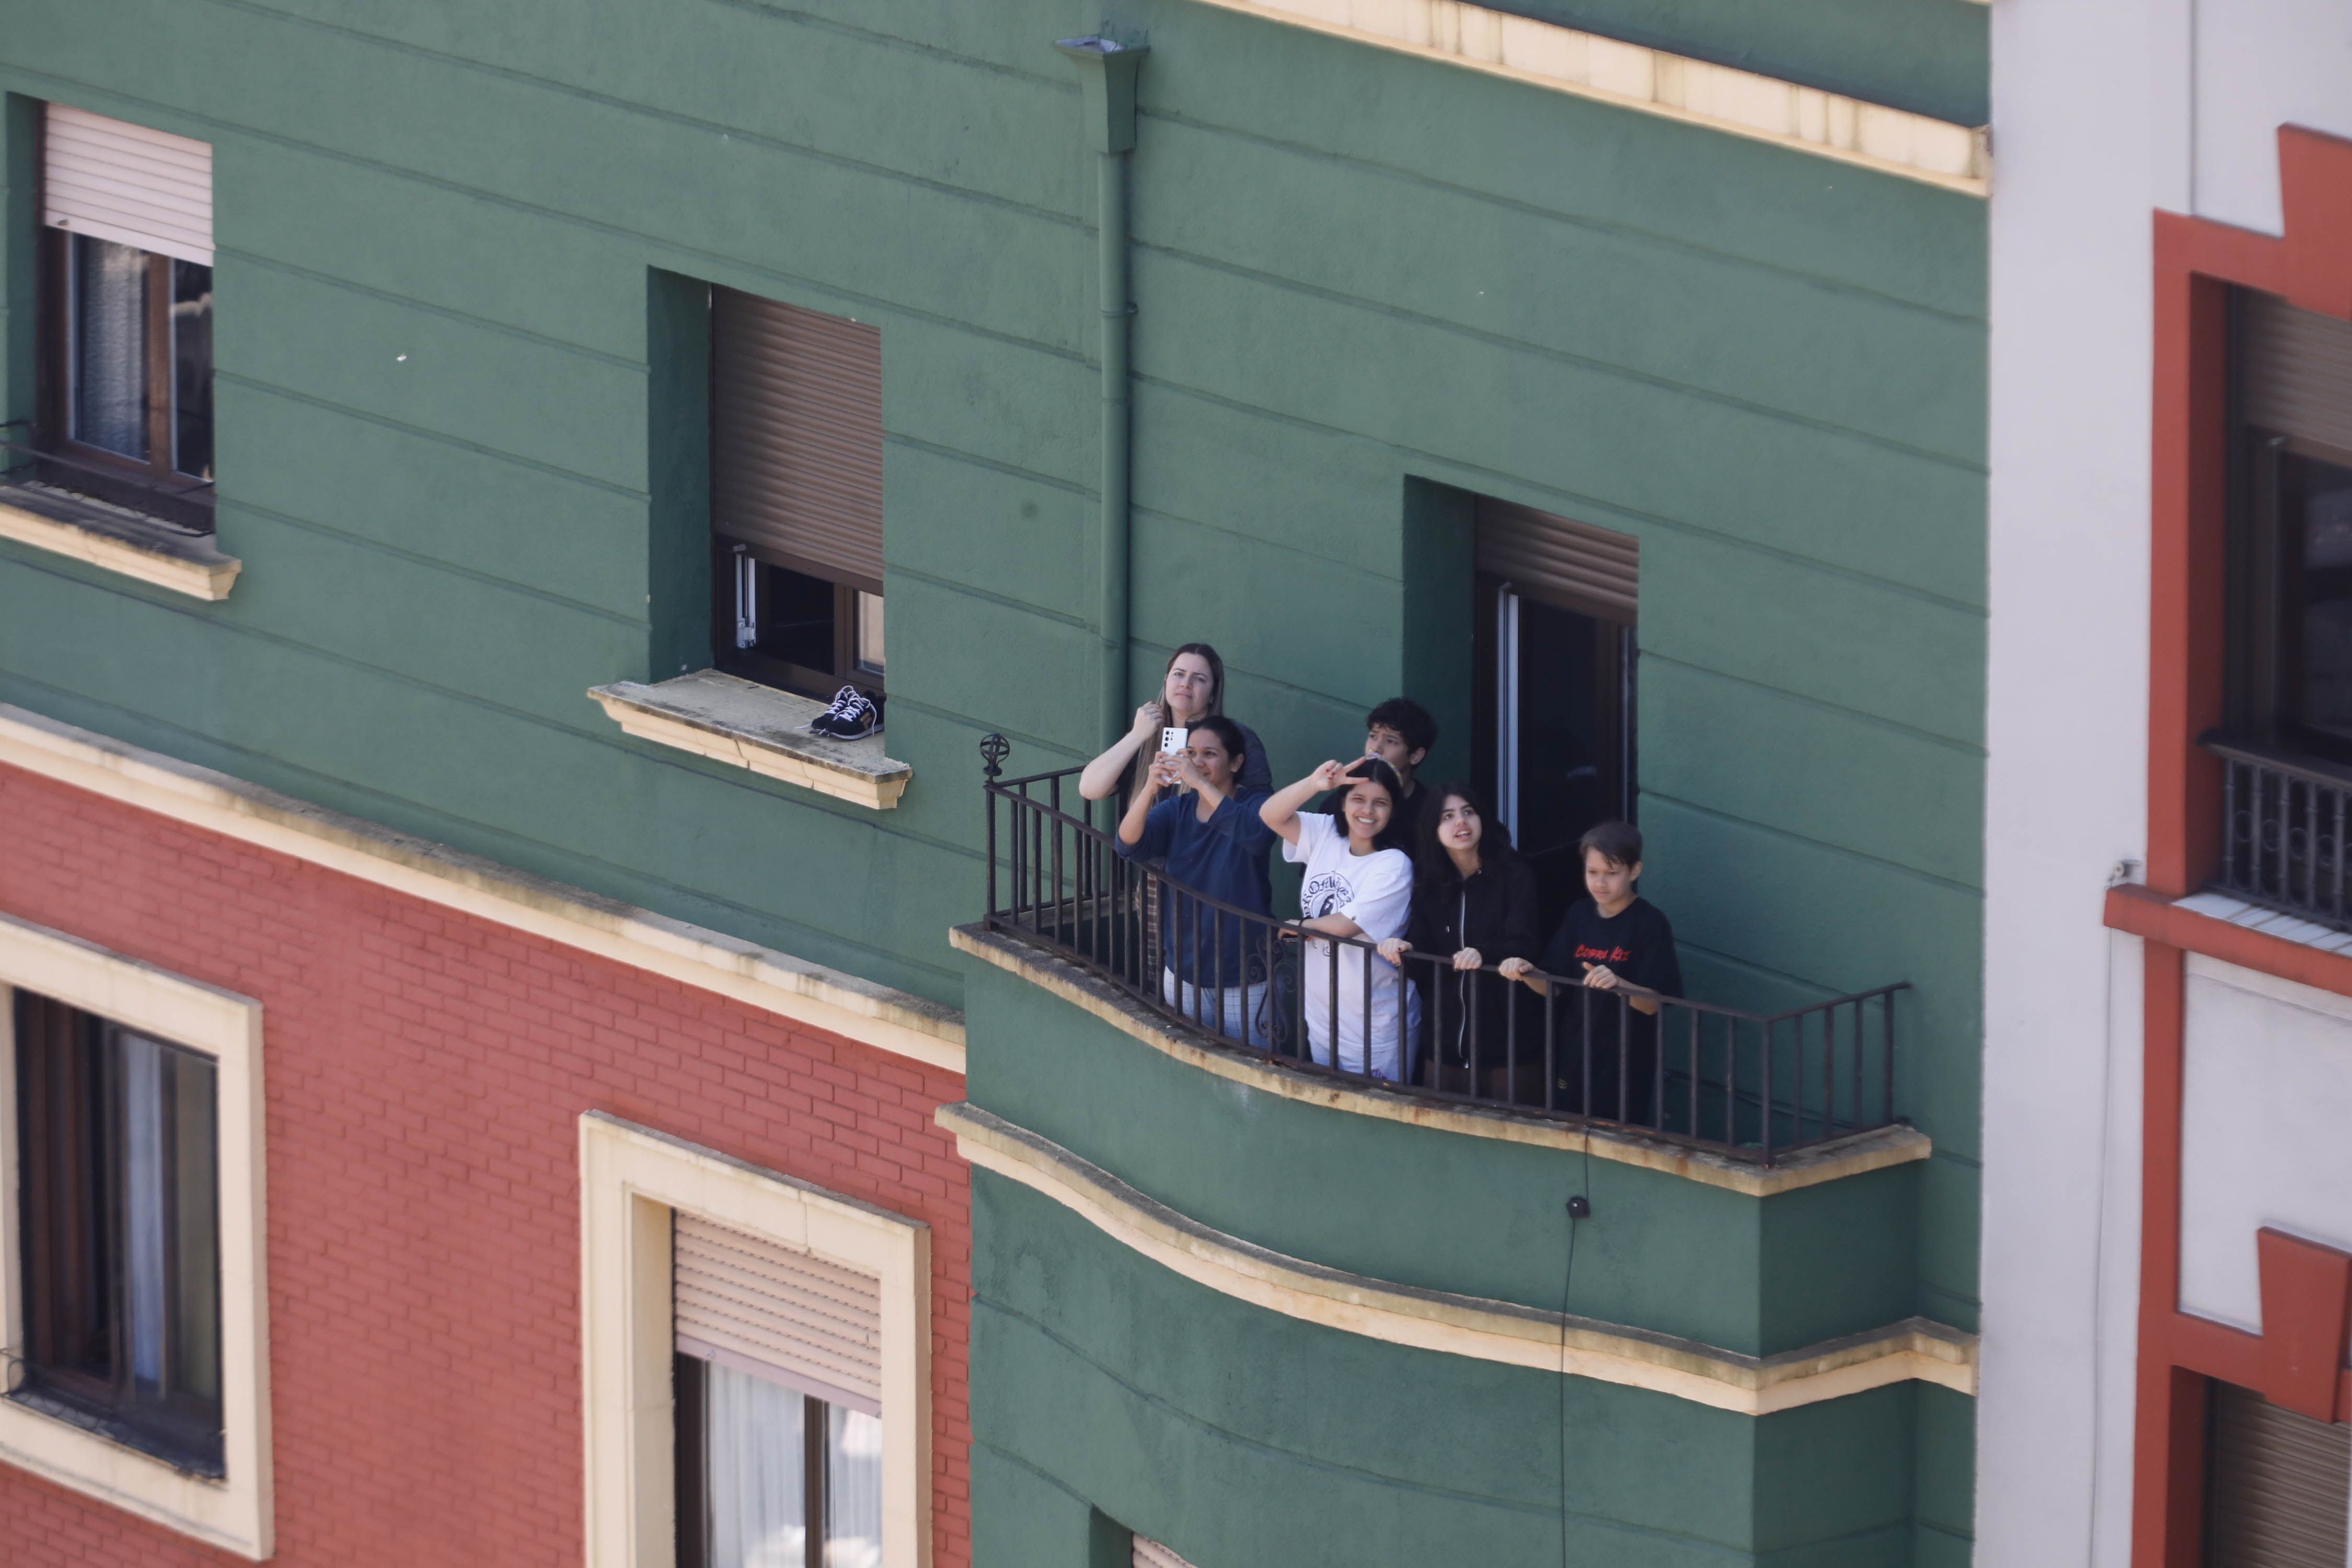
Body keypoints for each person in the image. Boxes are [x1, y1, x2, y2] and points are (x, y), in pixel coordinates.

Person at [1502, 820, 1682, 1126]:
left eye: (1611, 874)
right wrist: (1525, 971)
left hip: (1626, 1060)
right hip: (1574, 1051)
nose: (1600, 883)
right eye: (1592, 872)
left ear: (1634, 871)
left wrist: (1619, 984)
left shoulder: (1650, 923)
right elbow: (1555, 986)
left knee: (1617, 1137)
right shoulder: (1579, 914)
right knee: (1567, 1130)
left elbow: (1657, 1003)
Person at [1113, 717, 1276, 1047]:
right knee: (1187, 1060)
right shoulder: (1177, 808)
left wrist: (1200, 783)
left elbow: (1256, 836)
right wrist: (1149, 789)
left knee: (1252, 1067)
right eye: (1190, 753)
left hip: (1244, 974)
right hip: (1184, 971)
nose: (1197, 762)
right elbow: (1127, 845)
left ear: (1237, 762)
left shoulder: (1255, 806)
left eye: (1209, 754)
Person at [1376, 784, 1541, 1100]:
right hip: (1445, 1044)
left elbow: (1526, 945)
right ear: (1433, 829)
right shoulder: (1430, 884)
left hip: (1509, 1043)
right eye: (1448, 816)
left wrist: (1484, 955)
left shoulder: (1515, 875)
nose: (1461, 822)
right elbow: (1423, 956)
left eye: (1468, 812)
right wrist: (1403, 950)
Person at [1260, 757, 1417, 1081]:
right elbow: (1270, 814)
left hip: (1375, 1025)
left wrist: (1299, 926)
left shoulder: (1395, 864)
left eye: (1381, 803)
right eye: (1358, 799)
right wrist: (1316, 784)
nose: (1368, 811)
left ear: (1393, 810)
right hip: (1321, 1017)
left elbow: (1345, 927)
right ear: (1343, 802)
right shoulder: (1326, 832)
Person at [1080, 644, 1274, 802]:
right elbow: (1089, 789)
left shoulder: (1237, 736)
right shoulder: (1147, 732)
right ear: (1166, 681)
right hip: (1148, 848)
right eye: (1179, 674)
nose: (1186, 684)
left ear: (1213, 694)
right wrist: (1136, 736)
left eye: (1199, 679)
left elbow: (1261, 810)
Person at [1362, 697, 1437, 808]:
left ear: (1416, 756)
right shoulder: (1346, 796)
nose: (1376, 748)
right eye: (1374, 736)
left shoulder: (1429, 810)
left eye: (1391, 741)